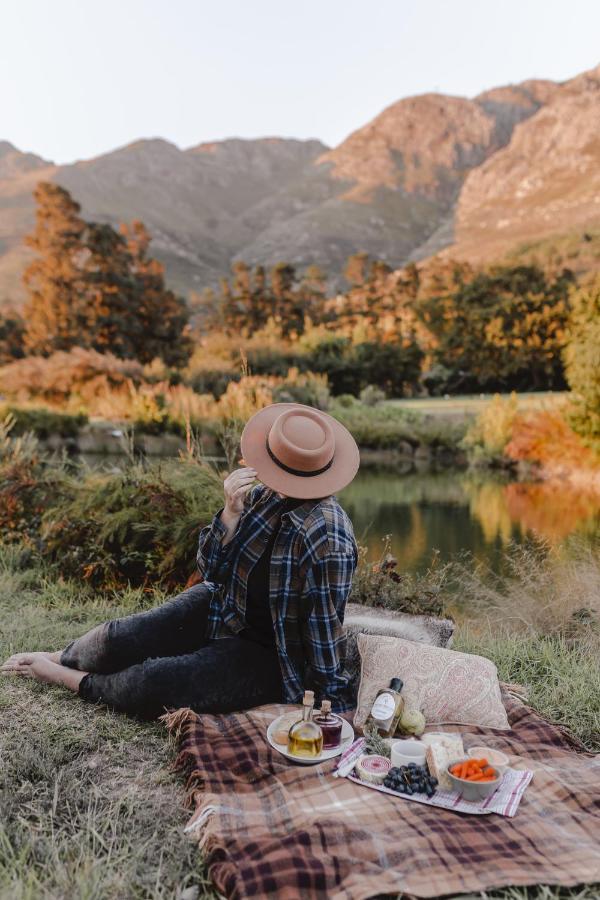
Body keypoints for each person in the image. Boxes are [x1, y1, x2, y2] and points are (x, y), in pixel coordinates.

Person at [1, 403, 360, 719]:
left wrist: (330, 702)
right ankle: (63, 655)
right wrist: (229, 515)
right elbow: (211, 569)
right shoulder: (263, 495)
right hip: (222, 607)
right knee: (118, 638)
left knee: (152, 682)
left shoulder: (328, 535)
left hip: (269, 654)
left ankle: (68, 677)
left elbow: (324, 627)